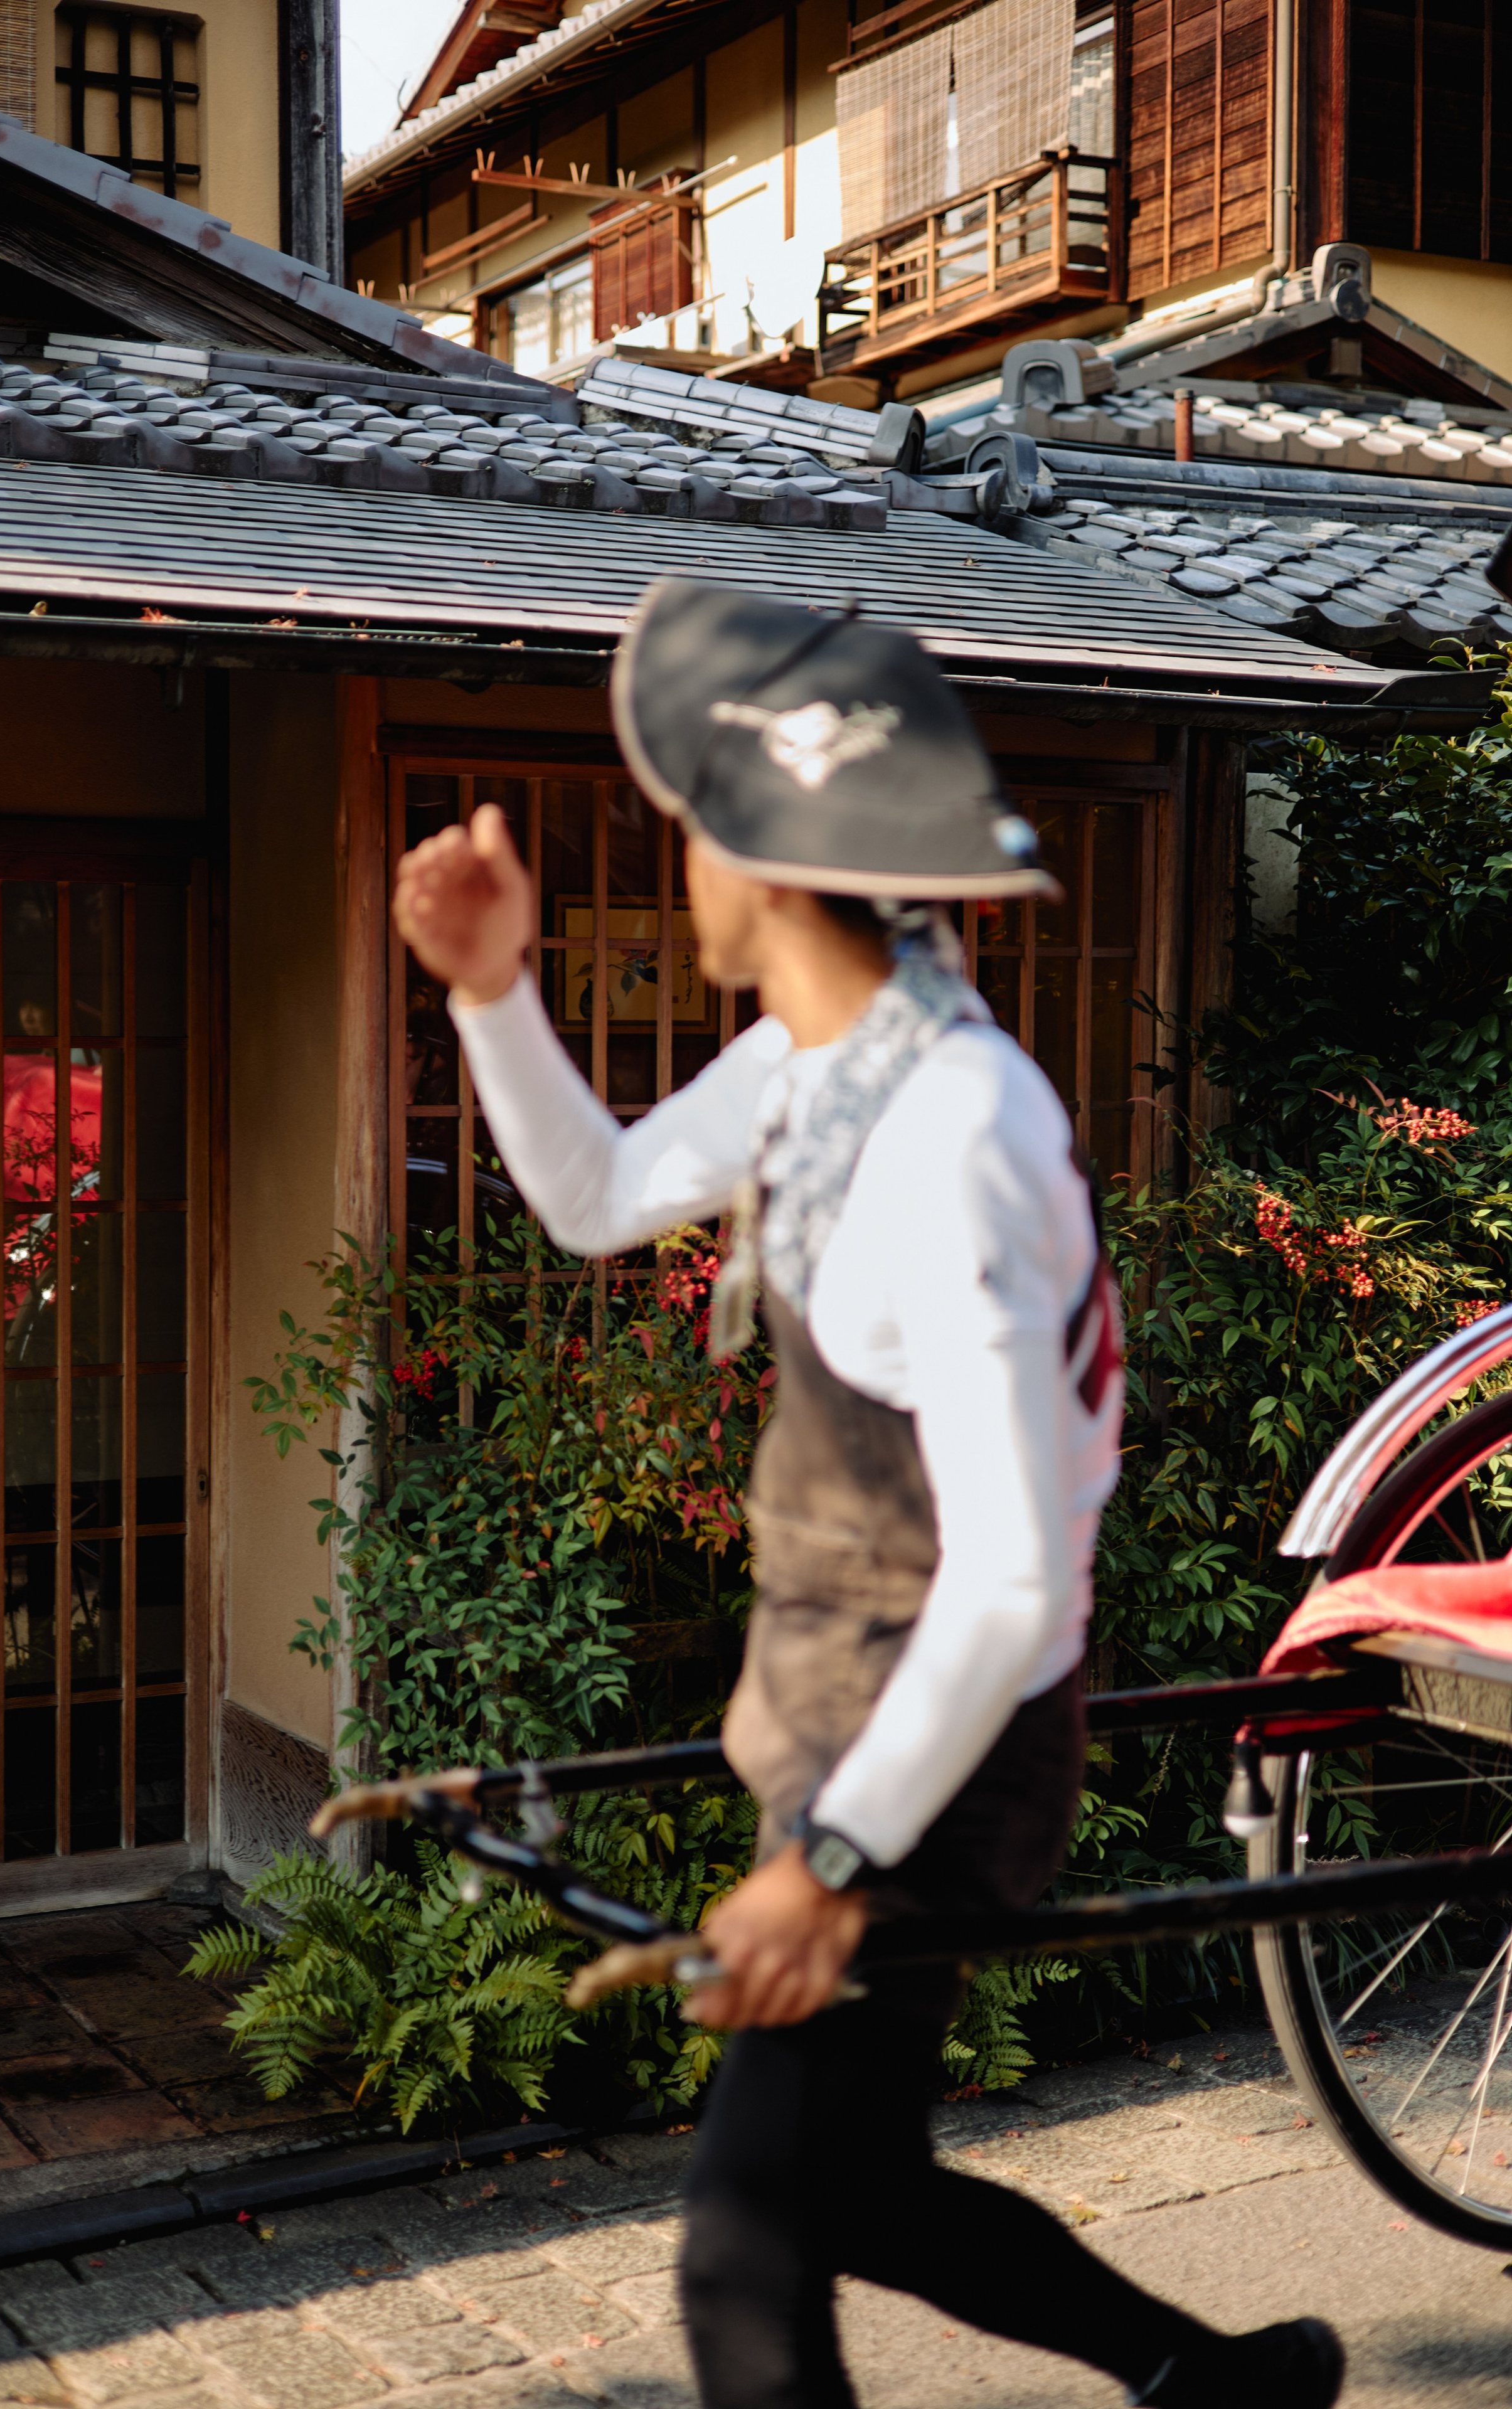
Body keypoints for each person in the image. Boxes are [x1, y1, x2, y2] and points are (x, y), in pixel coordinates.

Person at [392, 579, 1344, 2409]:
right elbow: (598, 1199)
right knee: (860, 2191)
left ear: (762, 861)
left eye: (691, 828)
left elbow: (1012, 1579)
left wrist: (833, 1860)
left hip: (943, 1749)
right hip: (860, 1714)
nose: (680, 866)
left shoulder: (950, 1135)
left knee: (743, 2245)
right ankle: (1216, 2384)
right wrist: (491, 993)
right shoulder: (823, 1070)